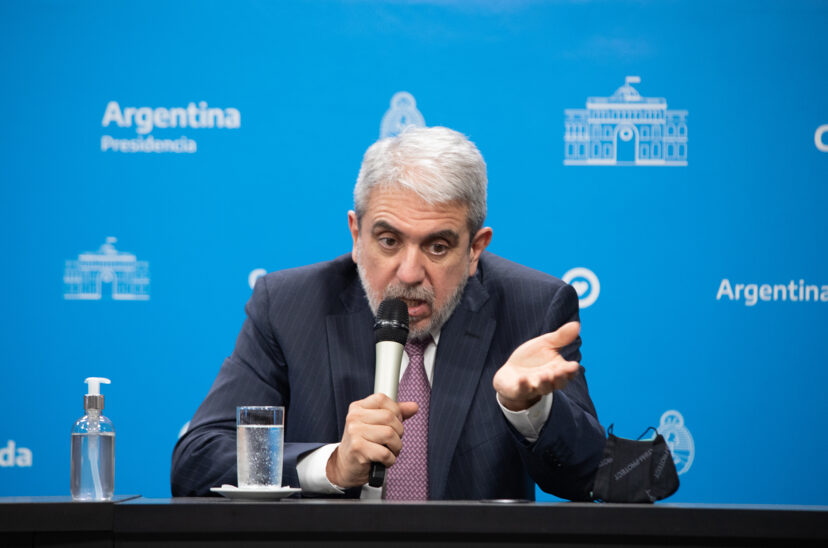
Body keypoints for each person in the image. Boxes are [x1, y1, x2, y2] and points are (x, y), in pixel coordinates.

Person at [171, 126, 605, 500]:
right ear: (356, 236)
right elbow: (197, 461)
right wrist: (331, 466)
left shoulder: (532, 307)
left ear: (475, 250)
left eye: (438, 246)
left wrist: (530, 410)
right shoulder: (287, 306)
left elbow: (590, 476)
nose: (410, 273)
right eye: (389, 241)